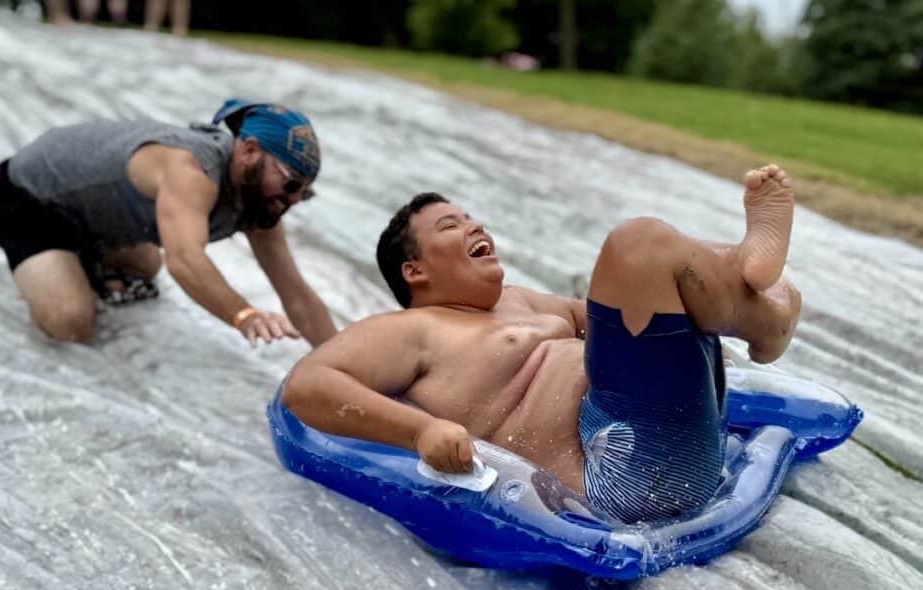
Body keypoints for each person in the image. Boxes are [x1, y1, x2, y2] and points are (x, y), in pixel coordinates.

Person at [282, 166, 801, 525]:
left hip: (686, 430)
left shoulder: (521, 301)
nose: (474, 225)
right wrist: (421, 431)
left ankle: (747, 275)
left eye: (470, 218)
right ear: (414, 271)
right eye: (450, 225)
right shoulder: (411, 329)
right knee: (638, 245)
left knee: (652, 265)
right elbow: (308, 386)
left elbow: (613, 317)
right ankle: (766, 315)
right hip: (618, 473)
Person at [0, 100, 338, 349]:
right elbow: (186, 262)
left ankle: (82, 256)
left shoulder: (261, 198)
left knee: (145, 265)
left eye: (304, 192)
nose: (294, 199)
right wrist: (243, 315)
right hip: (32, 199)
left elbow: (295, 293)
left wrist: (345, 365)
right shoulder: (191, 169)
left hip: (94, 218)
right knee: (70, 321)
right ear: (248, 151)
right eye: (291, 182)